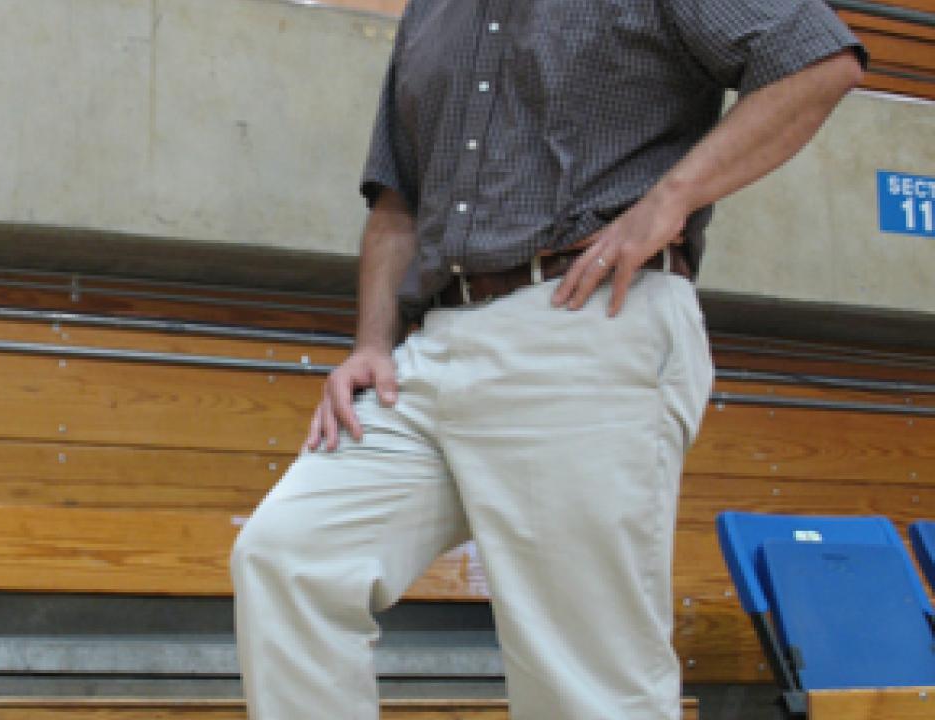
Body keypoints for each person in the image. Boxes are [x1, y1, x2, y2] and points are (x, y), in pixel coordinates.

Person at [231, 0, 865, 717]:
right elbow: (397, 202)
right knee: (288, 557)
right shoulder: (429, 13)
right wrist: (372, 343)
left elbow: (817, 58)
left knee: (583, 678)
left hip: (586, 315)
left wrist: (671, 199)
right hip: (431, 344)